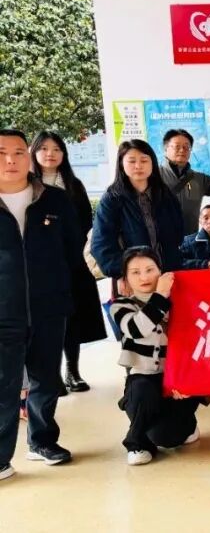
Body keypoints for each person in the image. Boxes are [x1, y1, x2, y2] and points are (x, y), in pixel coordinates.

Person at [1, 128, 87, 477]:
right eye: (1, 153)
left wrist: (63, 291)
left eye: (18, 152)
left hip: (48, 306)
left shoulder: (55, 200)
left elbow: (72, 248)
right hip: (3, 311)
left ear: (29, 156)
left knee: (46, 379)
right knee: (4, 384)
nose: (11, 160)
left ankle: (42, 442)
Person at [29, 131, 106, 394]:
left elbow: (85, 224)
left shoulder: (74, 185)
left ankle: (72, 371)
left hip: (71, 262)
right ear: (34, 152)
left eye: (56, 149)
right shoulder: (26, 184)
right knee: (45, 321)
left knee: (72, 317)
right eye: (44, 148)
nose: (50, 154)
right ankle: (51, 375)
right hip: (37, 265)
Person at [110, 247, 201, 466]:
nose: (144, 277)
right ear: (126, 279)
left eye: (150, 269)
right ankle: (136, 442)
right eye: (135, 272)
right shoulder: (121, 306)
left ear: (161, 271)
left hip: (178, 376)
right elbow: (136, 329)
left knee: (167, 437)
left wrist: (191, 383)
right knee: (142, 388)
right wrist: (160, 296)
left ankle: (186, 425)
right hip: (144, 378)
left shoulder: (182, 301)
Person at [91, 140, 185, 281]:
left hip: (168, 275)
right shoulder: (112, 199)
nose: (138, 166)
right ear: (121, 164)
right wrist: (122, 273)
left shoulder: (166, 195)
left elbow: (179, 234)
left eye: (144, 160)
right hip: (133, 280)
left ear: (152, 163)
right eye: (132, 161)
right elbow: (101, 245)